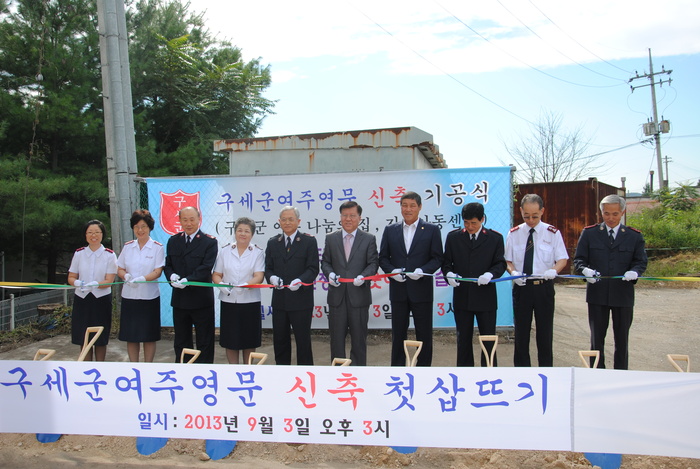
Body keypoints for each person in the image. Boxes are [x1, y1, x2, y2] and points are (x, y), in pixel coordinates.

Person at [574, 194, 647, 370]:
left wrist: (635, 271)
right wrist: (585, 271)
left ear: (622, 212)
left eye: (615, 214)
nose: (611, 218)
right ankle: (597, 374)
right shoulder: (590, 233)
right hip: (597, 295)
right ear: (601, 213)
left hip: (623, 295)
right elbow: (579, 260)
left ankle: (620, 375)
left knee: (622, 340)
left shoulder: (634, 236)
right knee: (596, 339)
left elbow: (640, 261)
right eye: (606, 213)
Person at [378, 191, 443, 367]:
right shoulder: (391, 230)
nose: (408, 209)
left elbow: (437, 258)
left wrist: (423, 270)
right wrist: (392, 271)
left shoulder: (431, 230)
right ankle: (397, 369)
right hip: (398, 291)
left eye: (412, 206)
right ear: (400, 207)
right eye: (405, 205)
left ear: (419, 207)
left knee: (424, 333)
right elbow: (383, 258)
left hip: (422, 290)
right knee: (398, 332)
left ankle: (423, 368)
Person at [505, 194, 568, 367]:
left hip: (543, 288)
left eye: (535, 216)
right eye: (526, 216)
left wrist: (553, 271)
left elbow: (562, 259)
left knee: (545, 333)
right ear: (521, 211)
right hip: (522, 288)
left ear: (542, 211)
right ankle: (522, 371)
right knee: (521, 332)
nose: (531, 220)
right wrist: (514, 272)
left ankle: (546, 370)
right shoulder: (514, 233)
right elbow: (507, 260)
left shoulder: (552, 233)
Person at [442, 202, 506, 367]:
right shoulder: (454, 237)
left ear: (482, 219)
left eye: (474, 223)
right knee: (463, 338)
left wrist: (490, 274)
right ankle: (465, 372)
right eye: (466, 222)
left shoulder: (495, 238)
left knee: (488, 339)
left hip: (485, 297)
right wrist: (449, 274)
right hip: (463, 296)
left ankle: (489, 371)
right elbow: (446, 263)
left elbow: (500, 264)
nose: (470, 227)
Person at [321, 201, 379, 366]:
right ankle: (338, 372)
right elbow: (325, 262)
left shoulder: (368, 239)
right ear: (340, 217)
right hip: (337, 298)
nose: (348, 219)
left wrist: (363, 276)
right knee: (336, 339)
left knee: (359, 340)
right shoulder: (331, 238)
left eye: (352, 215)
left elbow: (373, 263)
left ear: (359, 218)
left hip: (359, 297)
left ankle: (358, 373)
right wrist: (330, 274)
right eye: (345, 215)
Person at [265, 206, 319, 365]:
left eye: (291, 219)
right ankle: (282, 372)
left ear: (298, 221)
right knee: (280, 340)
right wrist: (272, 278)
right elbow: (268, 268)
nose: (287, 222)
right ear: (279, 221)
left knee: (303, 341)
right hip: (280, 301)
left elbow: (313, 268)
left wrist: (301, 280)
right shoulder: (273, 242)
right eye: (284, 219)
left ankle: (305, 372)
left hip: (301, 301)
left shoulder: (309, 241)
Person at [164, 206, 218, 364]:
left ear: (199, 219)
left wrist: (188, 280)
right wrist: (171, 276)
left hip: (201, 300)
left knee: (205, 340)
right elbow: (168, 264)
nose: (188, 223)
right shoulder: (173, 241)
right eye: (185, 220)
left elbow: (206, 267)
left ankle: (204, 371)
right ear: (180, 221)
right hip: (180, 300)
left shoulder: (209, 242)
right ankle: (183, 370)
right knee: (181, 340)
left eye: (192, 219)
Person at [212, 217, 265, 365]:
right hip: (229, 301)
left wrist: (246, 285)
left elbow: (259, 276)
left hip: (250, 301)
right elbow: (216, 274)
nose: (243, 234)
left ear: (252, 234)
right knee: (230, 340)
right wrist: (221, 285)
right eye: (240, 230)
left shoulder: (257, 252)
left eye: (247, 231)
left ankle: (248, 369)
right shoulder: (225, 251)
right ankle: (233, 368)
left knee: (249, 339)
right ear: (235, 232)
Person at [116, 210, 165, 362]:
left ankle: (147, 366)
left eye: (143, 226)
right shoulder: (128, 247)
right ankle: (134, 365)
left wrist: (142, 279)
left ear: (149, 227)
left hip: (149, 297)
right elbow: (120, 268)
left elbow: (158, 271)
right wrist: (126, 276)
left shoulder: (157, 247)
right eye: (136, 227)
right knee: (131, 335)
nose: (140, 230)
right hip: (129, 297)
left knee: (149, 335)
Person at [67, 219, 118, 361]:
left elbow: (109, 281)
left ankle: (99, 366)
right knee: (83, 336)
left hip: (101, 300)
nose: (93, 235)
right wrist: (77, 282)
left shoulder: (109, 255)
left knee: (100, 337)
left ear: (102, 234)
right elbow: (71, 277)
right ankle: (86, 366)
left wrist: (96, 284)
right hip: (82, 299)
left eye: (97, 232)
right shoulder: (79, 254)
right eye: (90, 232)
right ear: (85, 235)